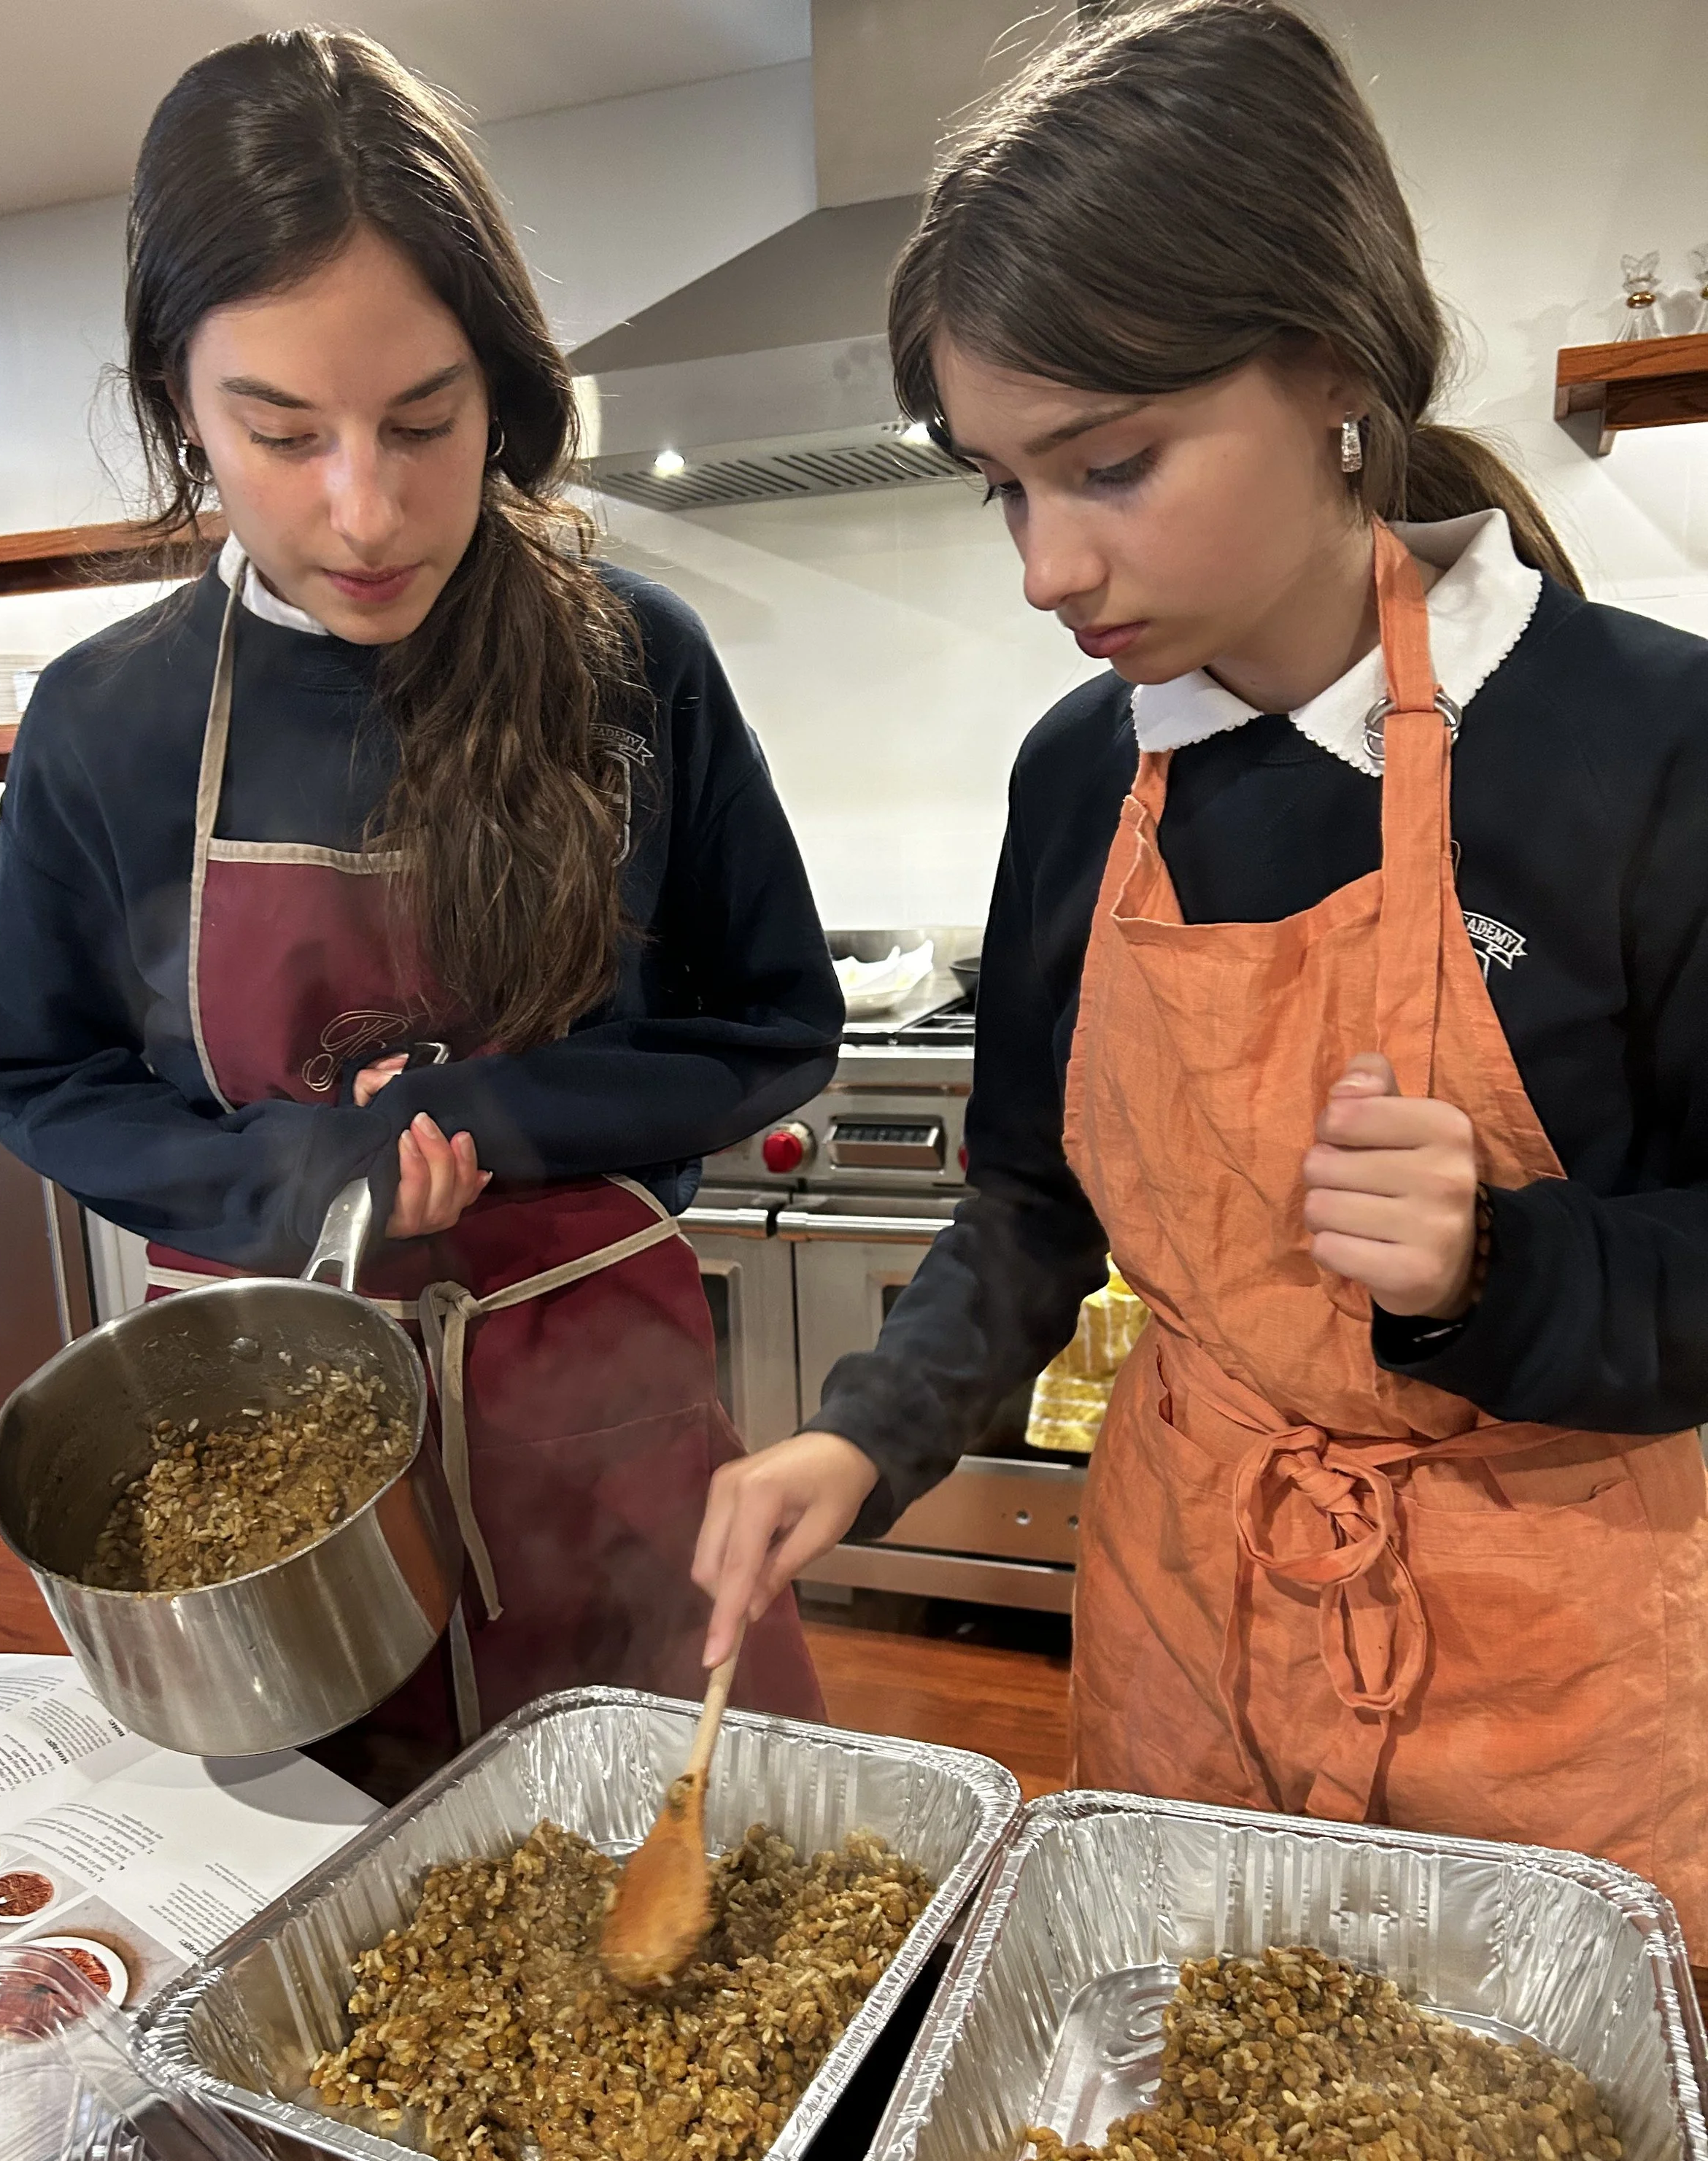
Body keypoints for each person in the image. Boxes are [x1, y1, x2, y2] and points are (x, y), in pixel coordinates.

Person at [695, 0, 1708, 1945]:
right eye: (1003, 483)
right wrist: (865, 1426)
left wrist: (1502, 1272)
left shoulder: (1641, 749)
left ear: (1331, 366)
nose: (1041, 568)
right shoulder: (1081, 780)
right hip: (1188, 1626)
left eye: (1108, 464)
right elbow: (1023, 1202)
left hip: (1542, 1678)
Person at [0, 30, 838, 1790]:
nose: (361, 510)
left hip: (601, 1417)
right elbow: (37, 1073)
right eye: (278, 434)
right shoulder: (110, 721)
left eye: (424, 423)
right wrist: (276, 1175)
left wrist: (494, 1112)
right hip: (265, 1451)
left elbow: (774, 1026)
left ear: (502, 393)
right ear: (177, 405)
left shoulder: (628, 663)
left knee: (703, 1873)